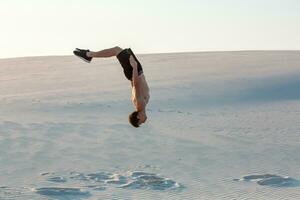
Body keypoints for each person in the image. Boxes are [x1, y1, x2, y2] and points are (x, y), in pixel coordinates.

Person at [73, 46, 150, 127]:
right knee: (117, 50)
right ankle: (88, 54)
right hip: (136, 72)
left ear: (138, 116)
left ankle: (88, 55)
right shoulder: (141, 104)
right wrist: (134, 67)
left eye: (140, 122)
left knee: (116, 50)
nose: (143, 122)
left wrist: (134, 67)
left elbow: (135, 85)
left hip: (135, 72)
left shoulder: (140, 104)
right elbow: (134, 85)